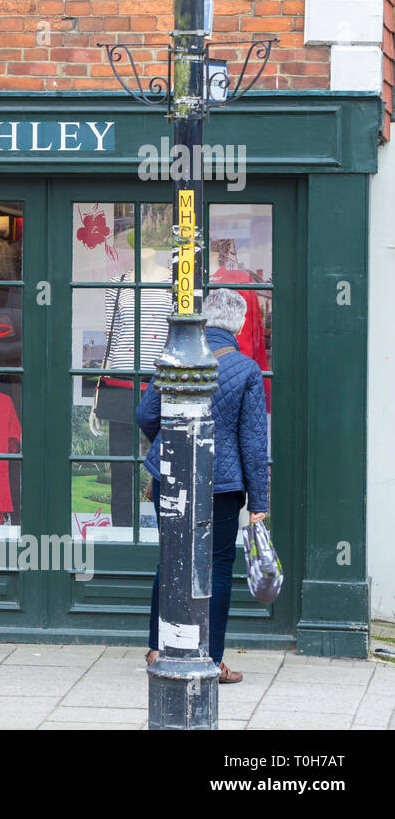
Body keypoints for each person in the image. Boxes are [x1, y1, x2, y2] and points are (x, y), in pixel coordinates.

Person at [136, 288, 268, 683]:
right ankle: (211, 658)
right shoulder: (246, 370)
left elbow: (145, 414)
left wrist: (173, 444)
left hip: (171, 475)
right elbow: (254, 443)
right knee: (219, 566)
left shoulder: (175, 357)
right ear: (240, 325)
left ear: (204, 321)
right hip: (222, 486)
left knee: (171, 556)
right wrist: (259, 500)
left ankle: (158, 647)